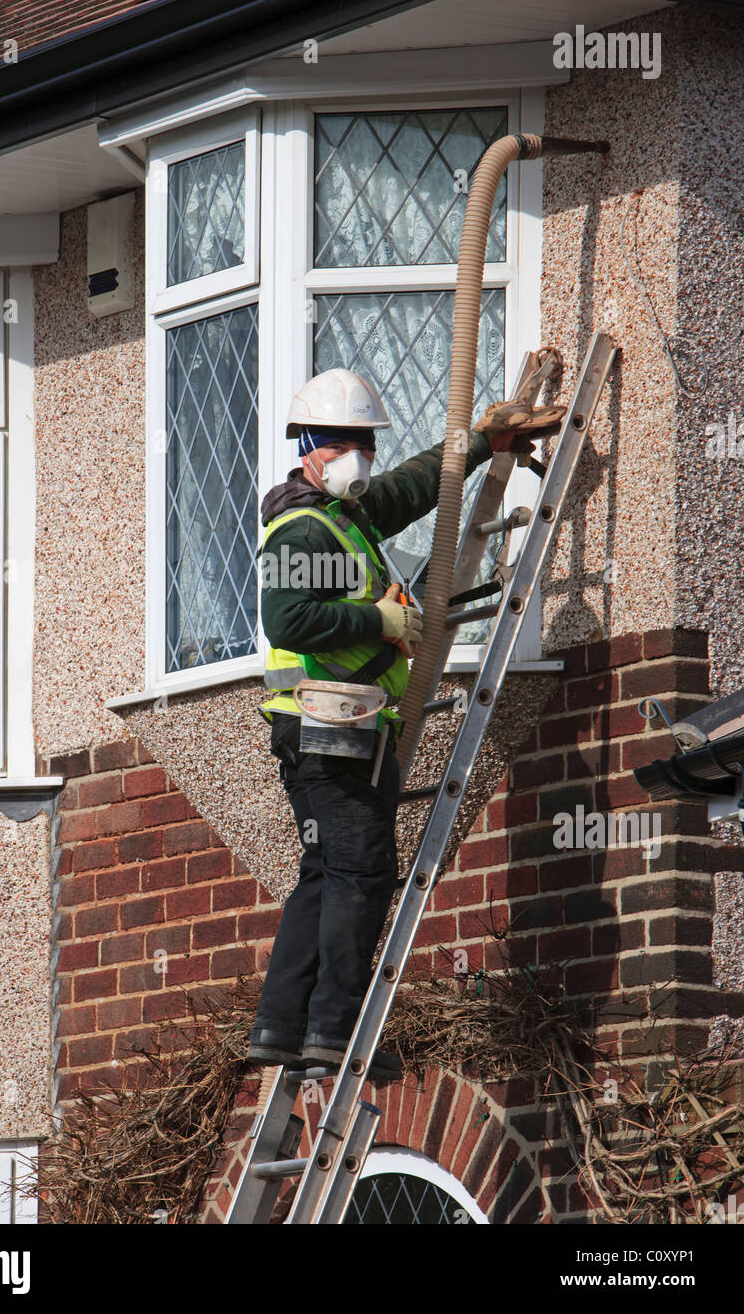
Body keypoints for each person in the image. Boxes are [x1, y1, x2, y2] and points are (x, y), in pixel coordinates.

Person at [245, 368, 562, 1079]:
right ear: (309, 448)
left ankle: (280, 1025)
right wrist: (380, 618)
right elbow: (288, 618)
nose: (359, 453)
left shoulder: (343, 517)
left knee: (326, 871)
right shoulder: (303, 528)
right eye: (343, 441)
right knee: (360, 872)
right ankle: (334, 1030)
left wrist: (483, 441)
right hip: (330, 725)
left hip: (332, 725)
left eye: (365, 441)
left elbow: (417, 488)